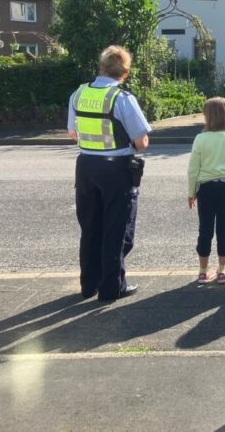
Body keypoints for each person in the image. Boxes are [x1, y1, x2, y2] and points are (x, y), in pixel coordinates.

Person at [67, 45, 151, 302]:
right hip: (116, 168)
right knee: (116, 229)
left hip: (86, 167)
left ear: (101, 67)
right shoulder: (122, 98)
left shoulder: (79, 94)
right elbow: (141, 141)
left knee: (90, 226)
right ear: (125, 72)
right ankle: (111, 287)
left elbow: (73, 133)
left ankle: (88, 284)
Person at [188, 97, 225, 284]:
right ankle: (222, 269)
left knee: (205, 228)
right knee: (224, 227)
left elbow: (193, 169)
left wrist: (191, 192)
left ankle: (203, 270)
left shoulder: (200, 139)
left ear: (208, 117)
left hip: (206, 186)